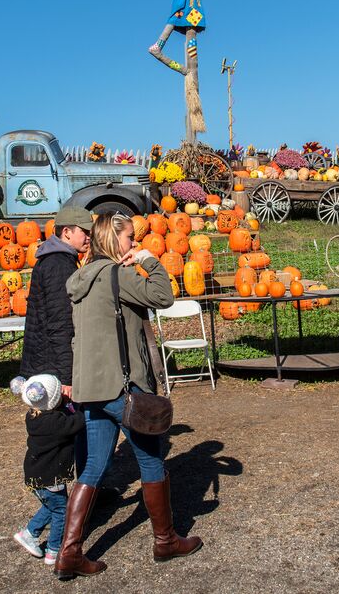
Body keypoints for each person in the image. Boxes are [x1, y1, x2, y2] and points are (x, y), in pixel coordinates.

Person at [54, 214, 201, 580]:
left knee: (93, 467)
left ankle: (69, 552)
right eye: (130, 238)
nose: (133, 243)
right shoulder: (118, 276)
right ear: (112, 240)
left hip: (92, 387)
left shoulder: (81, 280)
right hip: (124, 385)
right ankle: (165, 540)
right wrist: (148, 260)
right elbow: (164, 296)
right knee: (151, 460)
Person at [19, 206, 92, 397]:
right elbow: (61, 322)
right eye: (84, 232)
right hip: (52, 366)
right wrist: (67, 376)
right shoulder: (58, 265)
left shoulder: (57, 259)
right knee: (64, 423)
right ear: (66, 232)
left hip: (47, 360)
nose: (89, 237)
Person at [13, 374, 84, 566]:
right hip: (50, 476)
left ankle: (29, 533)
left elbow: (54, 411)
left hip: (35, 474)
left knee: (50, 506)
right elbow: (77, 422)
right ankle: (54, 550)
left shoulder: (33, 416)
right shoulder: (57, 423)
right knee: (62, 510)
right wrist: (78, 407)